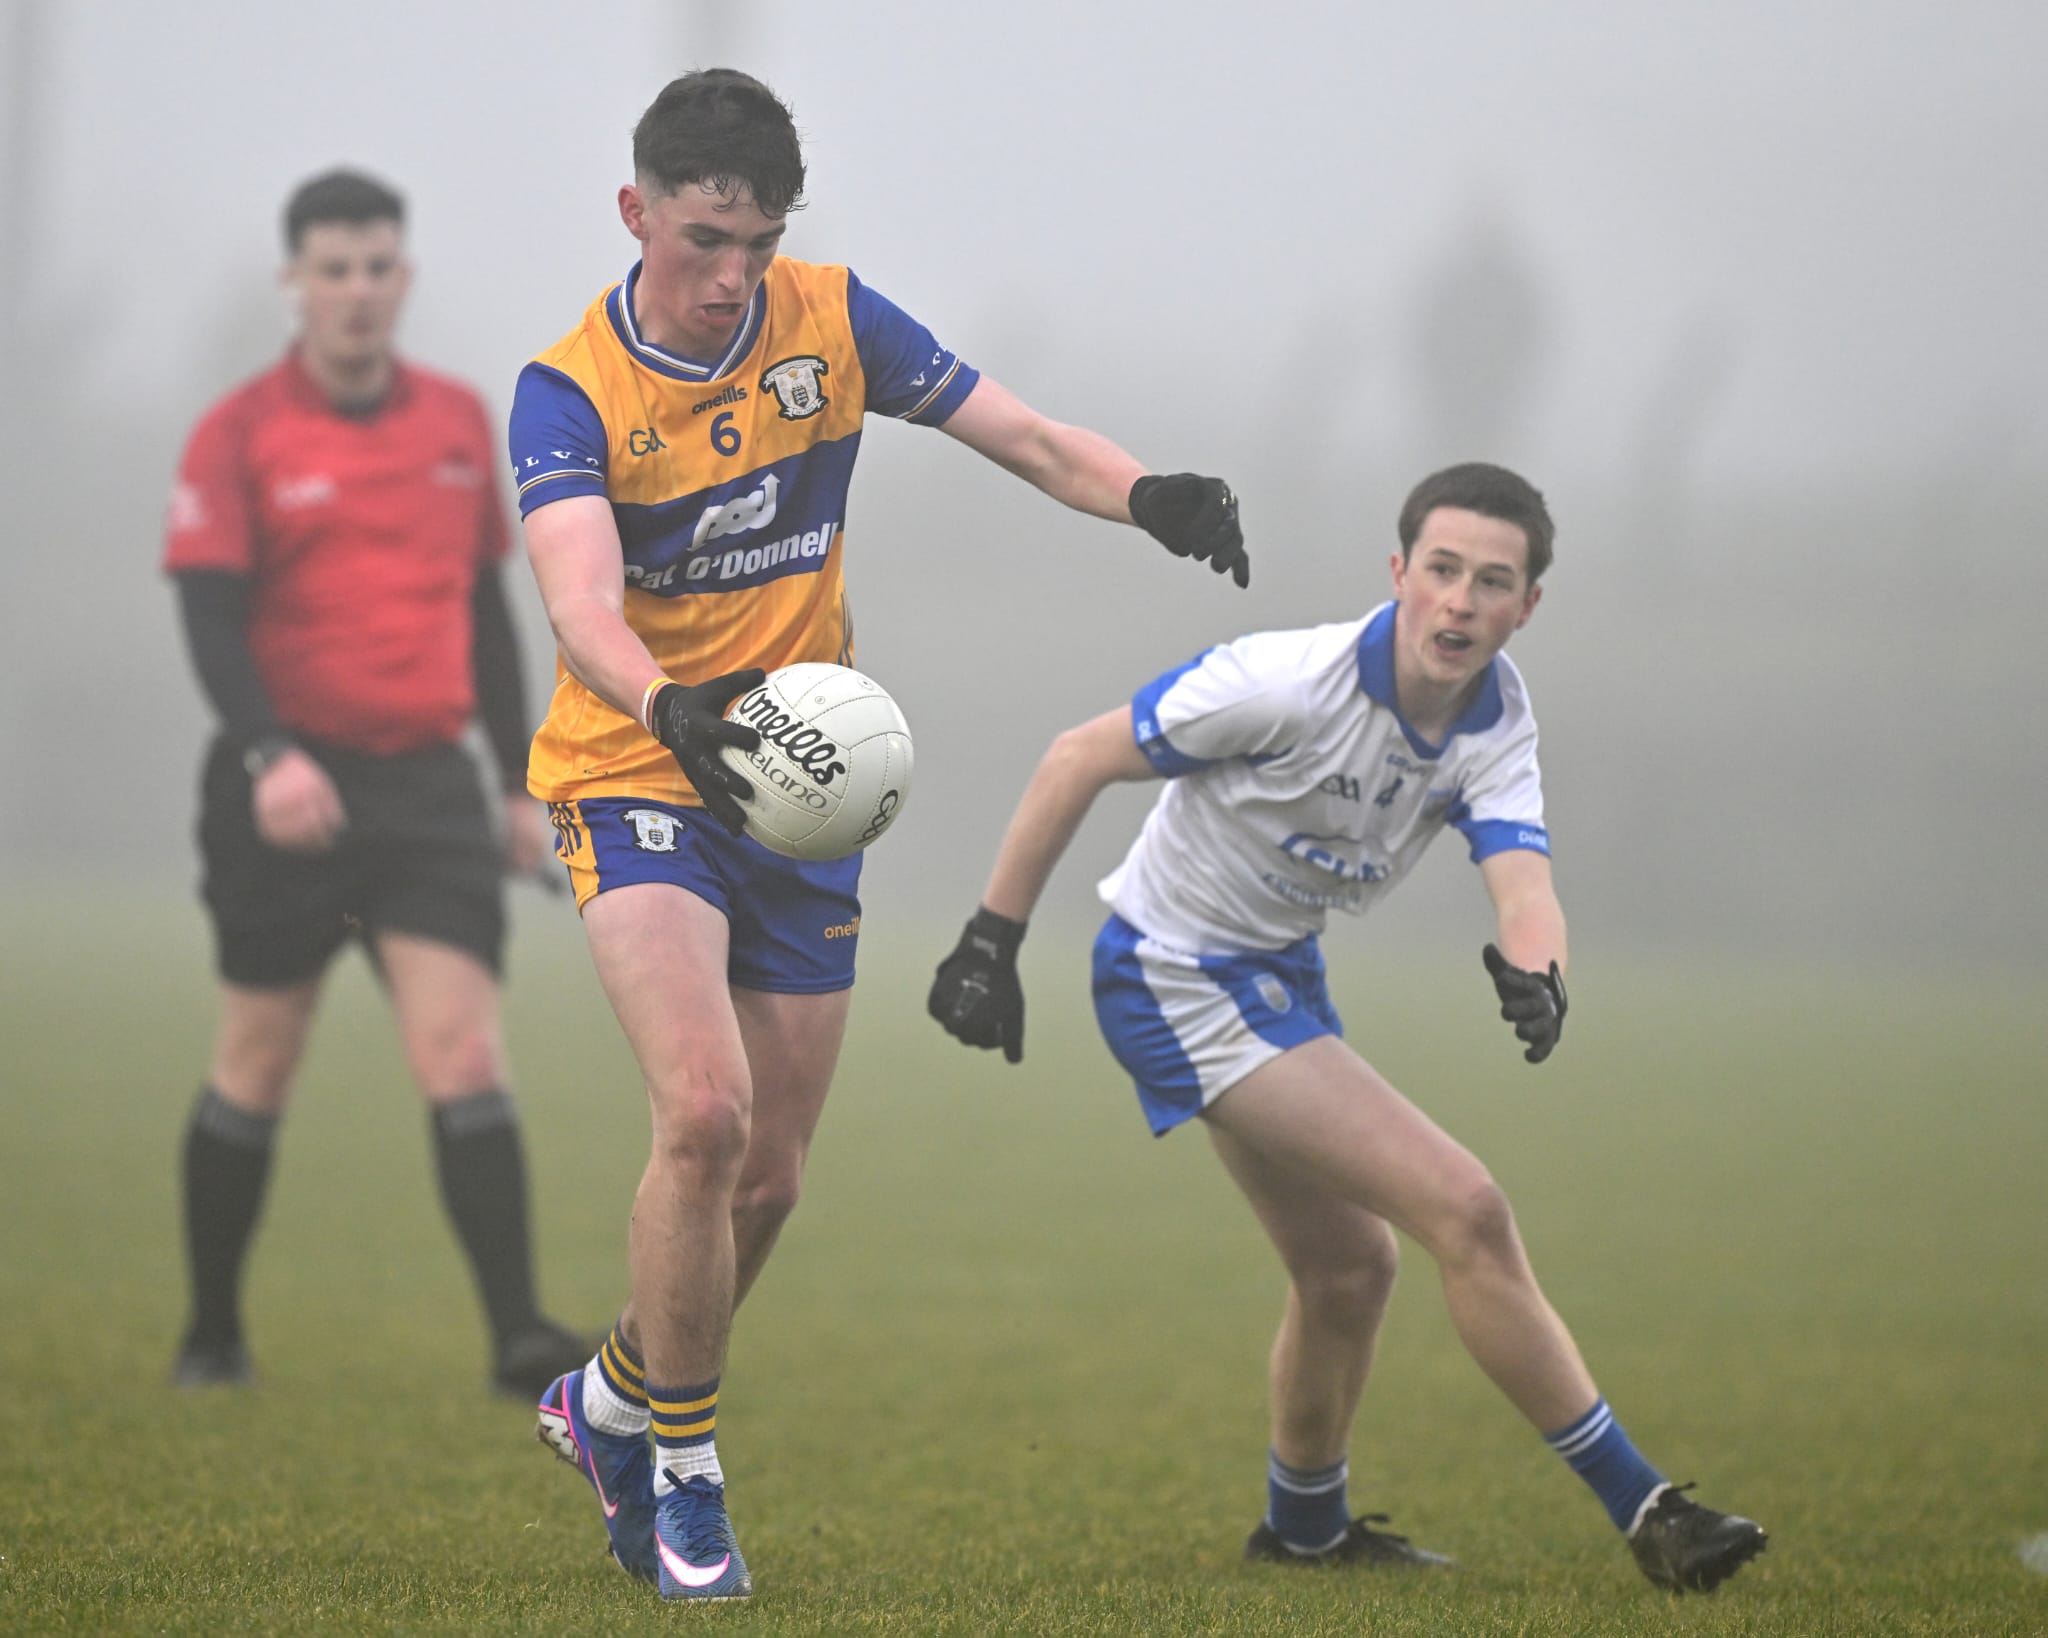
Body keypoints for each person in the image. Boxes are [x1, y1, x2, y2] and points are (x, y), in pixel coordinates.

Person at [511, 69, 1249, 1603]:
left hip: (800, 791)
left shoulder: (832, 319)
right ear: (637, 210)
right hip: (637, 768)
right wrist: (673, 712)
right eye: (706, 238)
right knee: (703, 1117)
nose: (733, 274)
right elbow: (579, 604)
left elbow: (1030, 436)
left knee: (768, 1180)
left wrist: (1151, 493)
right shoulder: (568, 387)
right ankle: (686, 1475)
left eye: (759, 241)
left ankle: (607, 1399)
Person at [928, 462, 1768, 1595]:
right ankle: (1648, 1510)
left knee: (1347, 1269)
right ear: (1398, 574)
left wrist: (1538, 970)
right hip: (1172, 974)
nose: (1460, 603)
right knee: (1462, 1206)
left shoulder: (1495, 717)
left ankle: (1304, 1532)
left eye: (1492, 582)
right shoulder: (1281, 681)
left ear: (1526, 607)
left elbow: (1522, 883)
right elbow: (1078, 756)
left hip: (1276, 972)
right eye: (1441, 571)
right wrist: (990, 940)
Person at [163, 168, 589, 1400]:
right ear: (293, 282)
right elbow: (208, 616)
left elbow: (487, 615)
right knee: (259, 1058)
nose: (357, 292)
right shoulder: (238, 431)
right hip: (284, 786)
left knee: (462, 1051)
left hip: (425, 795)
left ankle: (516, 1339)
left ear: (403, 279)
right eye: (333, 270)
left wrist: (518, 782)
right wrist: (268, 756)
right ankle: (211, 1336)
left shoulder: (459, 421)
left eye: (377, 268)